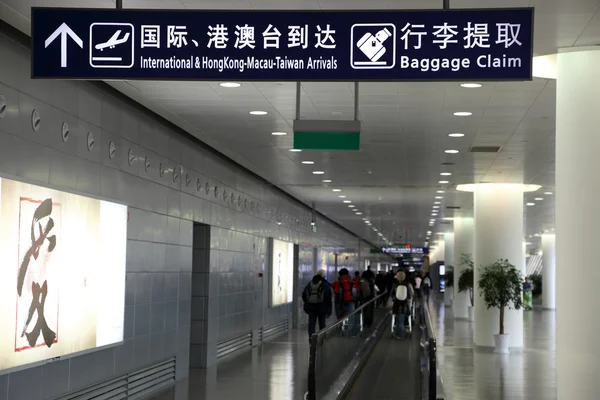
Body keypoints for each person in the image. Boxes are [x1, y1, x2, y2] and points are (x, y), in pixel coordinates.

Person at [302, 269, 332, 339]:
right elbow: (329, 298)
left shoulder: (311, 283)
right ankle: (322, 339)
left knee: (311, 325)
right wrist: (329, 311)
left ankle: (312, 339)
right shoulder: (325, 284)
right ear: (324, 276)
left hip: (311, 308)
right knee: (322, 324)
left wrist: (308, 302)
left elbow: (304, 294)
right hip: (322, 307)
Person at [391, 271, 411, 338]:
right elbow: (409, 295)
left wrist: (394, 299)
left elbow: (392, 294)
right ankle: (401, 334)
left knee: (397, 319)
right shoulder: (406, 284)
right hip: (404, 304)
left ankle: (398, 334)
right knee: (402, 319)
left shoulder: (395, 284)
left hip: (397, 304)